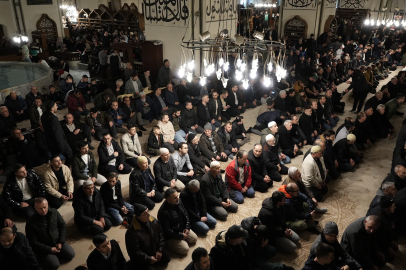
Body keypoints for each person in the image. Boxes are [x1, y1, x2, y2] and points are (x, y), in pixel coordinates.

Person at [25, 198, 75, 270]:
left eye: (45, 207)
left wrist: (60, 241)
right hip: (44, 247)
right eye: (40, 208)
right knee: (54, 265)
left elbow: (63, 225)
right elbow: (32, 242)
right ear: (35, 208)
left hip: (57, 240)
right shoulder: (30, 222)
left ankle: (56, 253)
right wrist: (50, 249)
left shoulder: (54, 212)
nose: (43, 210)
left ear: (47, 204)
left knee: (71, 254)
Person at [125, 203, 171, 269]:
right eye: (145, 213)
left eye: (148, 211)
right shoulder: (132, 232)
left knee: (167, 259)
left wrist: (159, 250)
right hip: (143, 256)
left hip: (154, 250)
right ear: (139, 217)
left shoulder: (153, 220)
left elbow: (161, 234)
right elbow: (135, 252)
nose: (149, 214)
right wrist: (149, 259)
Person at [158, 188, 197, 255]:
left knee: (194, 239)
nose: (178, 198)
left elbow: (186, 214)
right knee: (185, 249)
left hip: (181, 228)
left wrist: (187, 227)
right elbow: (167, 230)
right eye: (175, 197)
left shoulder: (179, 201)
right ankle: (168, 244)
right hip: (170, 236)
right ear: (168, 200)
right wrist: (180, 235)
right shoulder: (163, 212)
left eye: (177, 196)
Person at [41, 102, 73, 166]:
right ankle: (65, 169)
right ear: (52, 108)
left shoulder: (44, 116)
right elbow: (57, 134)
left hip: (50, 142)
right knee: (69, 156)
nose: (57, 107)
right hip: (59, 142)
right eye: (56, 106)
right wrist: (61, 147)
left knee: (55, 158)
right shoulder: (53, 119)